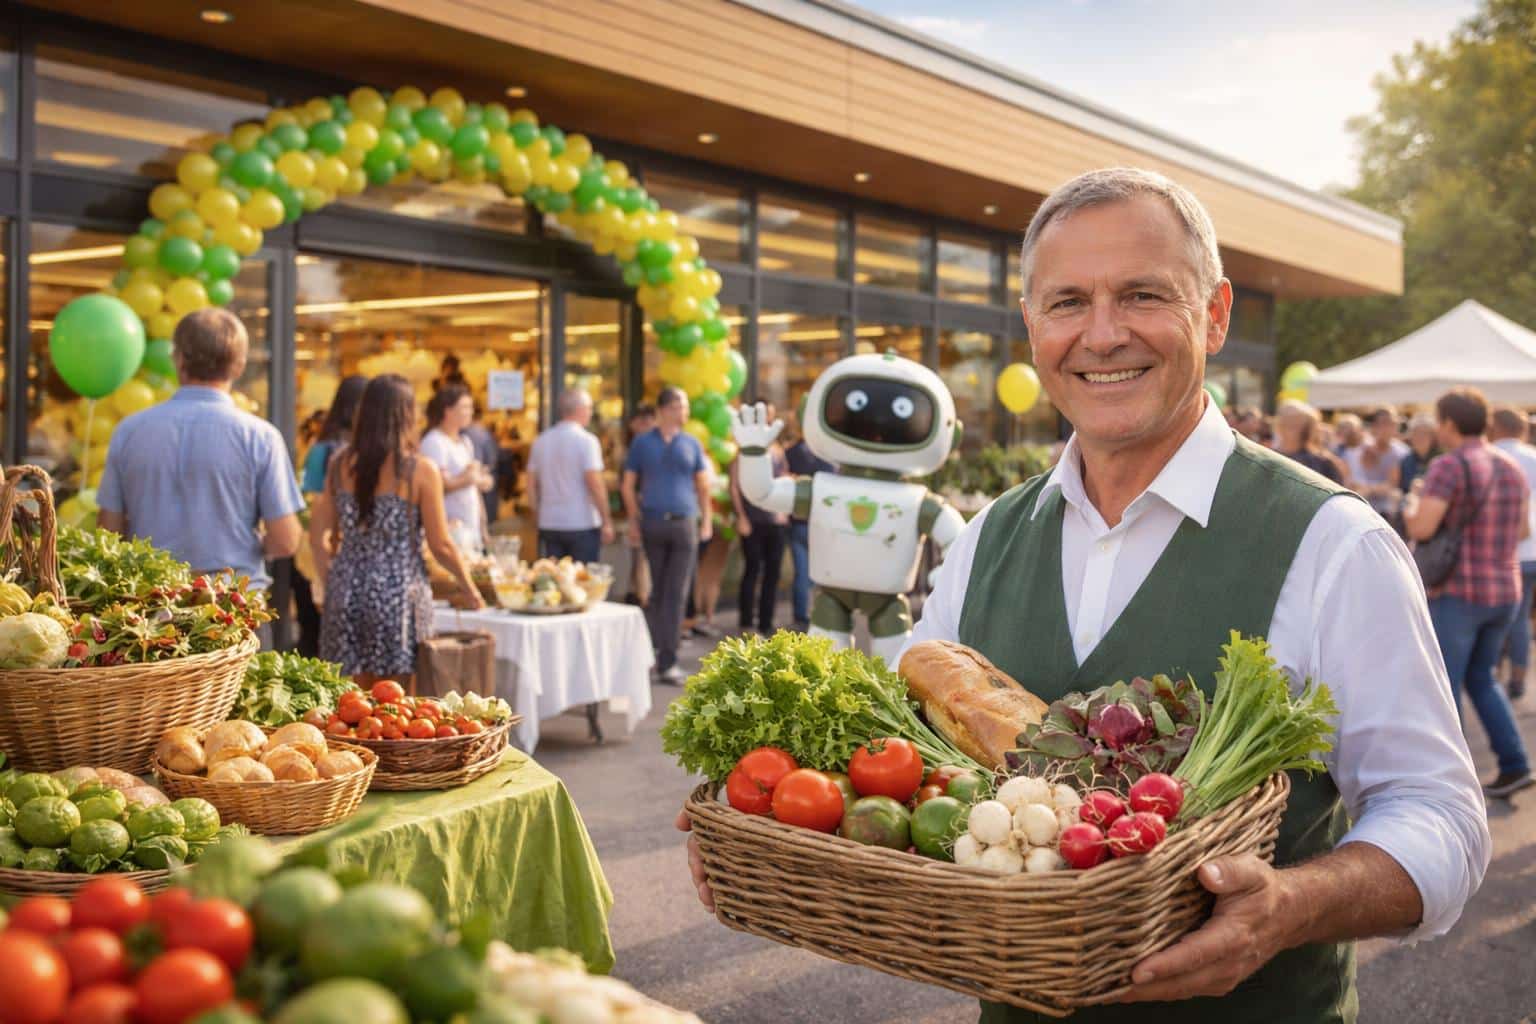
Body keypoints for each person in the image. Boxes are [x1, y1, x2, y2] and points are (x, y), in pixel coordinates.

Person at [683, 168, 1489, 1022]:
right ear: (1032, 325)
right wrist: (775, 820)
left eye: (1142, 295)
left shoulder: (1331, 542)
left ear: (1214, 315)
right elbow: (916, 762)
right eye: (1067, 303)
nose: (1102, 336)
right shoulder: (988, 536)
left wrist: (1289, 909)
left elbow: (1438, 814)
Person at [98, 308, 304, 646]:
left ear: (178, 360)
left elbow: (109, 531)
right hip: (233, 610)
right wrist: (239, 542)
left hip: (151, 614)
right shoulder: (260, 437)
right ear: (238, 366)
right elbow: (286, 539)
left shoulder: (129, 432)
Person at [310, 374, 483, 682]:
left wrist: (333, 579)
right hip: (399, 596)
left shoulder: (339, 464)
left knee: (347, 704)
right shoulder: (419, 470)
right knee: (396, 710)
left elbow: (316, 535)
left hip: (346, 592)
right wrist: (469, 588)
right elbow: (441, 545)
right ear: (406, 415)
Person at [1402, 390, 1532, 797]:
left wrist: (1410, 503)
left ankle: (1451, 787)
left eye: (1439, 421)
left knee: (1445, 685)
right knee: (1483, 679)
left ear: (1450, 424)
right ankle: (1514, 764)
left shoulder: (1449, 466)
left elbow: (1422, 528)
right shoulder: (1510, 466)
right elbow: (1524, 531)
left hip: (1460, 591)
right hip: (1504, 589)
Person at [621, 387, 713, 684]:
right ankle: (653, 656)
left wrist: (707, 520)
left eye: (685, 406)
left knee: (677, 592)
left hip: (684, 522)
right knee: (657, 592)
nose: (684, 412)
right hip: (654, 523)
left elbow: (703, 485)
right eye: (678, 406)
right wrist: (634, 520)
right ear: (663, 410)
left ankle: (668, 660)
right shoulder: (642, 443)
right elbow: (628, 486)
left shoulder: (692, 444)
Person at [294, 374, 369, 656]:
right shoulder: (352, 453)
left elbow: (307, 499)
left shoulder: (322, 448)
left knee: (314, 633)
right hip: (333, 550)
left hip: (316, 550)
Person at [527, 389, 614, 563]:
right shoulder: (587, 441)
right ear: (580, 409)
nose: (591, 412)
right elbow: (595, 484)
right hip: (581, 523)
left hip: (550, 522)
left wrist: (537, 515)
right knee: (583, 583)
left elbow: (530, 485)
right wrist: (606, 520)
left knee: (552, 583)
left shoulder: (541, 441)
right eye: (589, 408)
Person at [1488, 407, 1536, 700]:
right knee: (1518, 617)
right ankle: (1516, 677)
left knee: (1502, 617)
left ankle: (1495, 673)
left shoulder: (1490, 457)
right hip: (1531, 551)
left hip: (1504, 550)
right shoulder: (1532, 456)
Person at [730, 402, 789, 634]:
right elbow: (735, 486)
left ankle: (766, 622)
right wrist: (741, 516)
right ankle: (746, 622)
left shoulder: (777, 450)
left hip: (775, 521)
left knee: (773, 573)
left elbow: (784, 476)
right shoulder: (745, 449)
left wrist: (783, 510)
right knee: (752, 570)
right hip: (752, 520)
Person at [420, 383, 493, 554]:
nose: (470, 412)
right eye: (465, 407)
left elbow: (473, 486)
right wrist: (469, 478)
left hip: (470, 528)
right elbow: (437, 486)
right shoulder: (434, 442)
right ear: (448, 410)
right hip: (450, 528)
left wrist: (483, 525)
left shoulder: (465, 442)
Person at [784, 405, 835, 631]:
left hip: (799, 521)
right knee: (816, 573)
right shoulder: (830, 456)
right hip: (821, 523)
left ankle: (801, 615)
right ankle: (813, 615)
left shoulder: (791, 452)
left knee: (802, 572)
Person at [1343, 406, 1407, 521]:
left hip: (1387, 512)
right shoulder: (1357, 451)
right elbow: (1350, 482)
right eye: (1385, 424)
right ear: (1374, 427)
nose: (1389, 428)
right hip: (1359, 509)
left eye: (1393, 424)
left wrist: (1369, 489)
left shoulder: (1401, 452)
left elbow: (1392, 485)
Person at [1273, 401, 1345, 483]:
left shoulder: (1323, 463)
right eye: (1286, 421)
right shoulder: (1269, 458)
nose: (1288, 427)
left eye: (1295, 424)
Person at [464, 404, 501, 530]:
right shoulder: (482, 434)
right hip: (478, 488)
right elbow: (491, 461)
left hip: (471, 491)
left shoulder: (463, 434)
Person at [1398, 412, 1441, 492]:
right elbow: (1401, 488)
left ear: (1433, 437)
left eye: (1424, 433)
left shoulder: (1441, 460)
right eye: (1416, 433)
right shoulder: (1405, 460)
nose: (1419, 437)